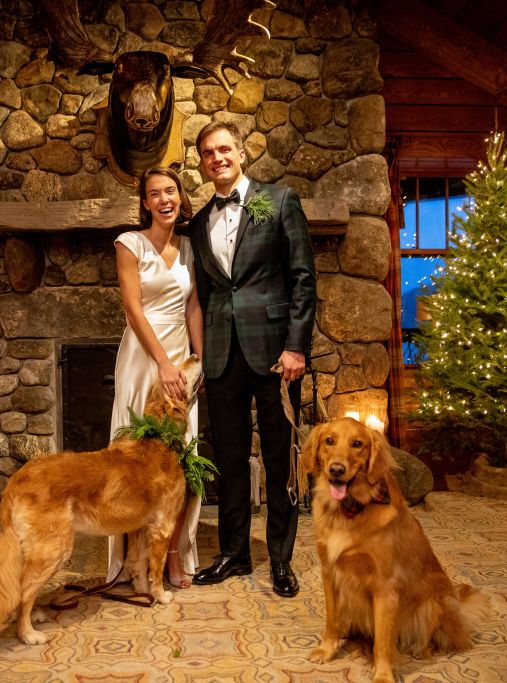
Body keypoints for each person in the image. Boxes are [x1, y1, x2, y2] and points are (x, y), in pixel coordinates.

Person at [188, 121, 317, 598]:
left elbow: (303, 278)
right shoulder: (199, 223)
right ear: (201, 163)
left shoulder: (280, 200)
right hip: (222, 355)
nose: (217, 158)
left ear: (241, 153)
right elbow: (203, 294)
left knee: (281, 456)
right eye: (207, 152)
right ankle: (234, 553)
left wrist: (296, 346)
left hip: (275, 354)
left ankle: (280, 558)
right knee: (228, 459)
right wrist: (200, 358)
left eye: (224, 149)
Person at [107, 167, 205, 588]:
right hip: (143, 357)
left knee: (181, 458)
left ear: (180, 197)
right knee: (134, 459)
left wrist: (198, 359)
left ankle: (173, 557)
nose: (164, 199)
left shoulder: (190, 248)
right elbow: (133, 309)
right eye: (154, 194)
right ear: (145, 202)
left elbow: (193, 308)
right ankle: (133, 558)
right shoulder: (129, 243)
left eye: (170, 191)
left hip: (182, 356)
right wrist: (163, 364)